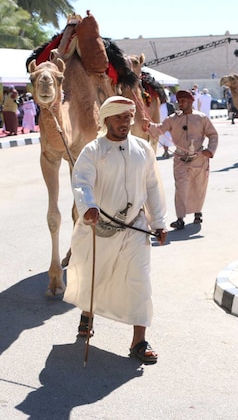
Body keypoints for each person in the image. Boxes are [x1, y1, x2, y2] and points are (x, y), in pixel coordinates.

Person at [64, 95, 168, 365]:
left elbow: (153, 186)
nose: (126, 122)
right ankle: (88, 312)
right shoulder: (93, 150)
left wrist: (158, 222)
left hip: (135, 228)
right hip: (100, 228)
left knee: (139, 281)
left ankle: (139, 341)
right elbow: (82, 182)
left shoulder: (143, 149)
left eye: (128, 117)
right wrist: (87, 206)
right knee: (93, 275)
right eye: (120, 117)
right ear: (106, 119)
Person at [145, 90, 218, 230]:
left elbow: (213, 135)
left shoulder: (201, 118)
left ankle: (198, 213)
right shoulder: (173, 119)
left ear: (190, 102)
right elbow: (159, 129)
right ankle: (180, 219)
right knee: (181, 189)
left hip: (199, 159)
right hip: (180, 159)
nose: (180, 104)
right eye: (179, 101)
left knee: (198, 186)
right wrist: (148, 125)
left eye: (183, 101)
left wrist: (210, 150)